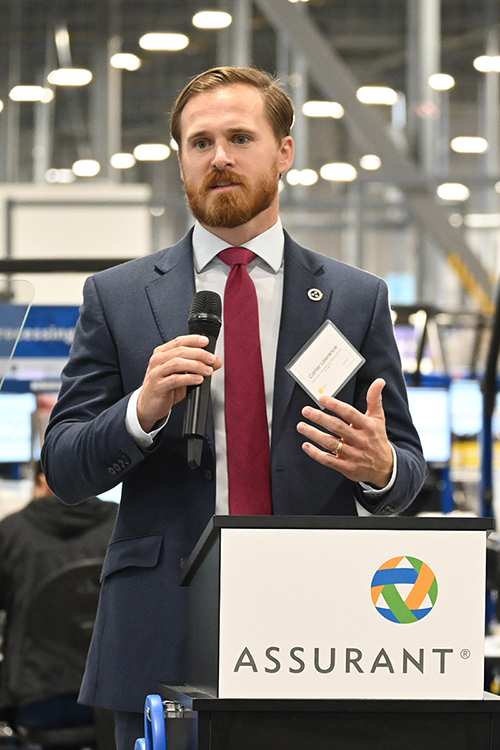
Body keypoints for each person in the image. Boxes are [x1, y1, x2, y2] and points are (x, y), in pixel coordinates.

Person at [41, 66, 426, 749]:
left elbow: (406, 476)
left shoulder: (352, 299)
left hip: (318, 632)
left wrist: (380, 467)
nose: (218, 157)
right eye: (199, 142)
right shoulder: (120, 297)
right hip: (163, 627)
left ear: (283, 151)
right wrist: (141, 410)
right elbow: (66, 468)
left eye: (240, 138)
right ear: (181, 159)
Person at [0, 462, 117, 738]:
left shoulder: (10, 532)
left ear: (45, 481)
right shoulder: (121, 524)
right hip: (109, 695)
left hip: (34, 696)